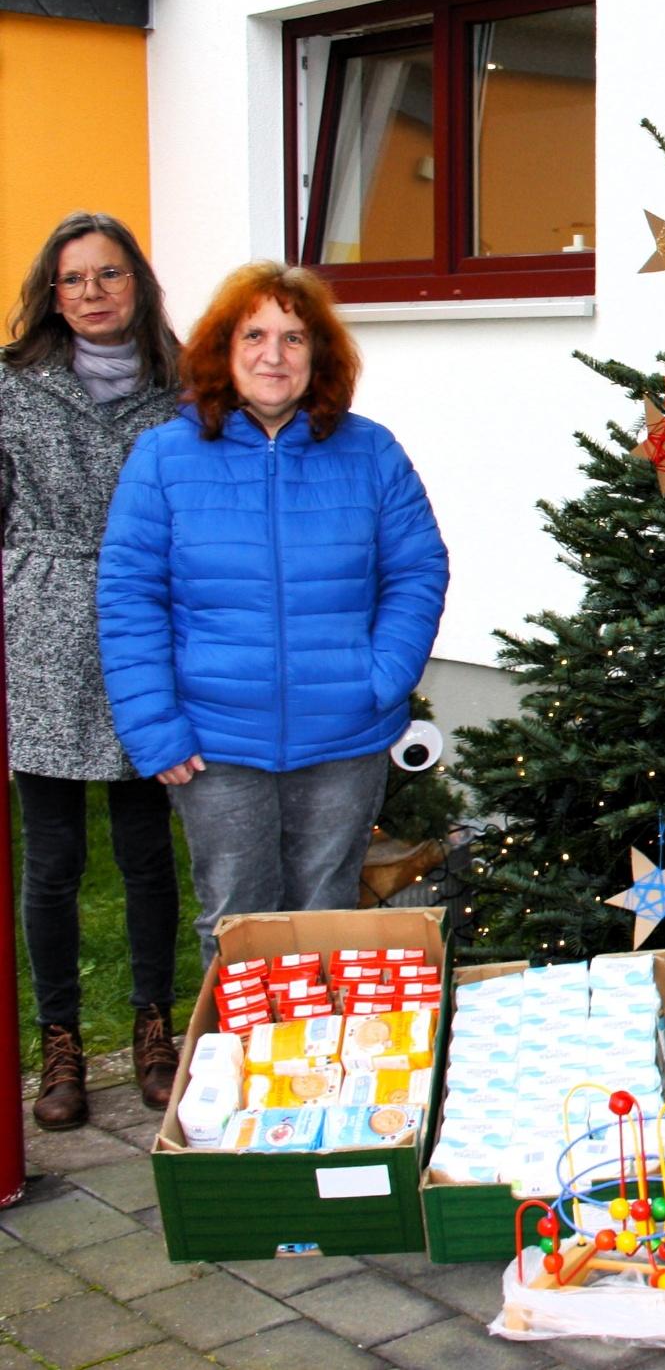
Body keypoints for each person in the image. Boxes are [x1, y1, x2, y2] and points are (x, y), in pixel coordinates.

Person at [98, 261, 449, 961]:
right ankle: (238, 1068)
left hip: (344, 738)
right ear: (224, 350)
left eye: (293, 337)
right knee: (238, 923)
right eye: (254, 334)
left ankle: (323, 1068)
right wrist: (155, 726)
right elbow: (129, 597)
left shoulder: (370, 452)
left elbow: (417, 569)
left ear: (317, 353)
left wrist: (380, 679)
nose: (273, 354)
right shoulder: (163, 458)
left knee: (328, 918)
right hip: (214, 742)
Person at [0, 213, 187, 1128]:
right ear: (52, 291)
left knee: (147, 849)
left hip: (148, 624)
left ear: (137, 285)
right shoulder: (13, 387)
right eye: (74, 280)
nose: (92, 294)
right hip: (44, 623)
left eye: (109, 275)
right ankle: (62, 1044)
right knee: (54, 855)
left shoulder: (182, 387)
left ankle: (155, 1025)